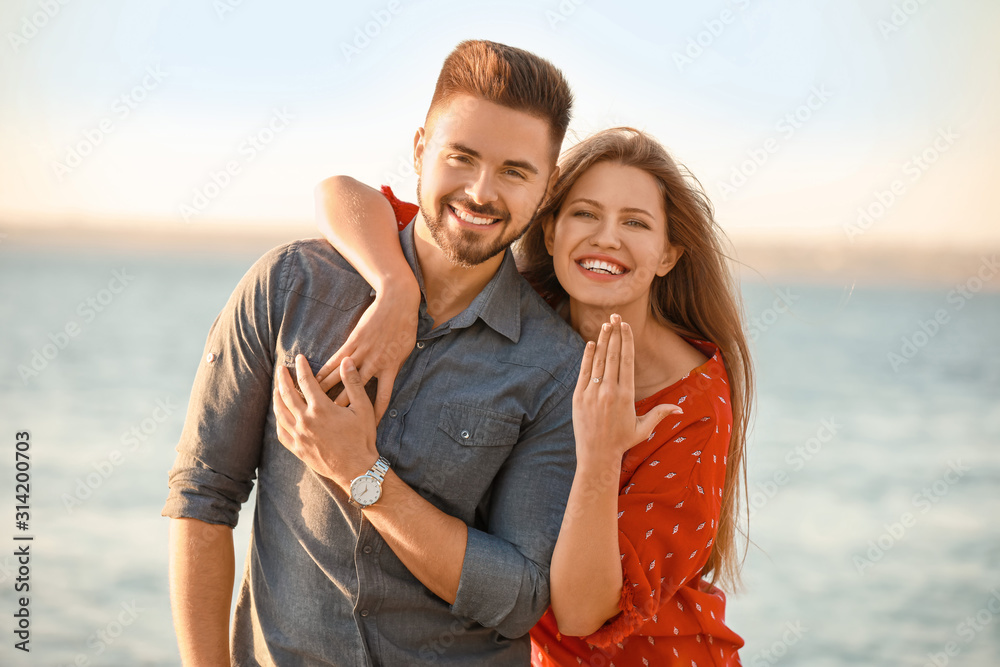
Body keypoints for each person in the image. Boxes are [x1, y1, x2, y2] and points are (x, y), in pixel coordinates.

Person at [161, 39, 583, 666]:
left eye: (515, 172)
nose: (480, 191)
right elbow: (203, 496)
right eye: (461, 157)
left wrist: (364, 474)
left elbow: (520, 594)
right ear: (420, 149)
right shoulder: (291, 285)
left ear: (545, 188)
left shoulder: (556, 364)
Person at [310, 127, 754, 665]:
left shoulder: (691, 404)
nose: (607, 238)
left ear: (667, 255)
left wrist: (599, 455)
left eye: (635, 223)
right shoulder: (519, 307)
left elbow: (581, 613)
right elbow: (343, 195)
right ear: (549, 232)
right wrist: (394, 286)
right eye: (585, 214)